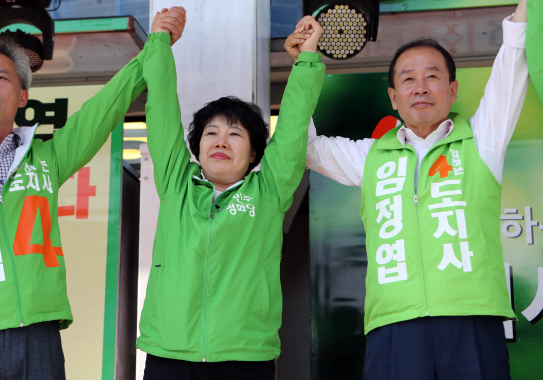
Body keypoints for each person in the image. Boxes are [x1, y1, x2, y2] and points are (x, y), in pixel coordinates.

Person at [0, 8, 185, 379]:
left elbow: (103, 110)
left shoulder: (46, 157)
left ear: (22, 97)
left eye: (1, 78)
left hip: (38, 334)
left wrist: (157, 43)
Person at [286, 1, 530, 379]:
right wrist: (303, 64)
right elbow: (301, 146)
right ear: (393, 97)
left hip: (472, 321)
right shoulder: (370, 157)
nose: (420, 88)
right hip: (394, 326)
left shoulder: (483, 142)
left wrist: (525, 11)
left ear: (452, 90)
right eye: (407, 79)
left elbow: (512, 62)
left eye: (432, 77)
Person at [135, 14, 325, 380]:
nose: (221, 140)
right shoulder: (177, 184)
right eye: (212, 132)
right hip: (168, 355)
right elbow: (159, 107)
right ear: (197, 146)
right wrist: (159, 43)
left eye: (235, 134)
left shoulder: (268, 190)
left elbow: (293, 125)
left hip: (245, 358)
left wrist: (306, 59)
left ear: (255, 153)